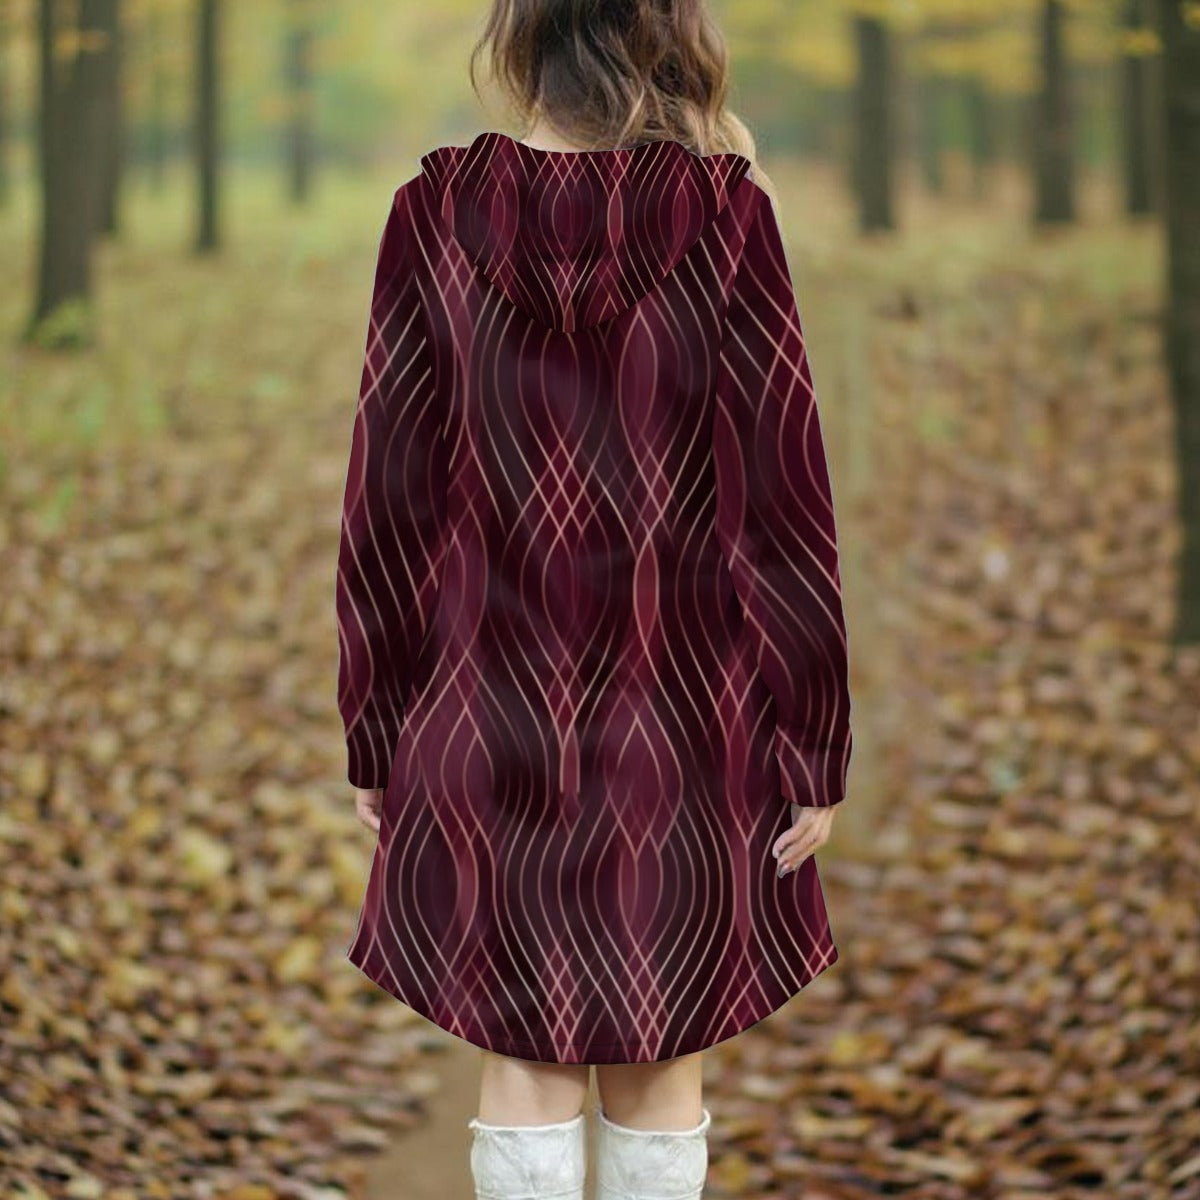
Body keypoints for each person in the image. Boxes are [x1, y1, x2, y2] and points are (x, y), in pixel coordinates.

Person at [334, 2, 854, 1197]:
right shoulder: (728, 219)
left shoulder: (432, 215)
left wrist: (378, 720)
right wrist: (812, 733)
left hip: (483, 696)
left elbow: (389, 494)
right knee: (662, 1057)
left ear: (522, 44)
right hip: (688, 711)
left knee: (525, 1055)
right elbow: (783, 502)